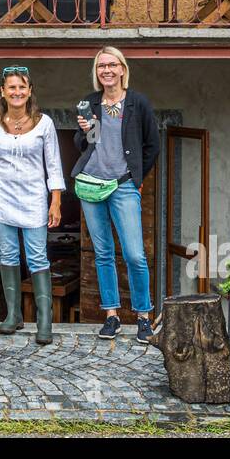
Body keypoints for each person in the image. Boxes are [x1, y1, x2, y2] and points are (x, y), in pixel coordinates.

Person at [73, 46, 160, 343]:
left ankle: (143, 317)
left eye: (112, 65)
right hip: (91, 184)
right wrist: (85, 130)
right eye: (101, 66)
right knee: (103, 253)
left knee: (135, 254)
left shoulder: (138, 103)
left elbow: (152, 145)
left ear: (122, 69)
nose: (107, 70)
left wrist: (136, 177)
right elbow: (84, 145)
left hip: (123, 186)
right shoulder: (90, 102)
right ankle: (111, 316)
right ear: (97, 73)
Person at [0, 65, 65, 345]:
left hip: (33, 199)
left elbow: (54, 165)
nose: (17, 92)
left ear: (30, 91)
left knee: (37, 256)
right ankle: (13, 315)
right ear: (2, 92)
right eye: (11, 87)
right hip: (0, 199)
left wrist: (56, 202)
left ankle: (44, 320)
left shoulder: (44, 123)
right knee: (8, 255)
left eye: (22, 87)